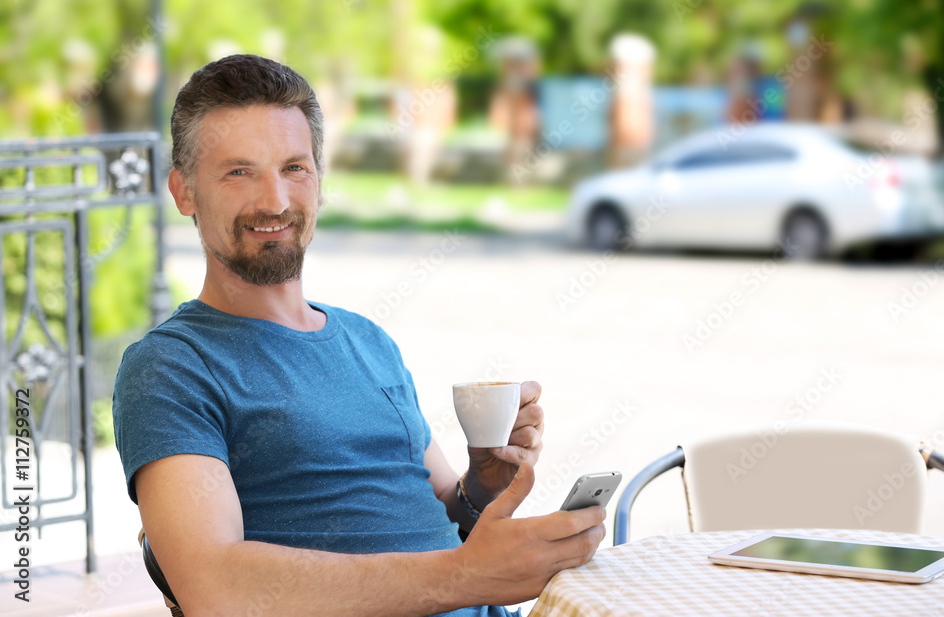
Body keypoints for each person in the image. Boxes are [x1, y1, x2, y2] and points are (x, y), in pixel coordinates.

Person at [112, 54, 606, 617]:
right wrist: (466, 577)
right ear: (184, 192)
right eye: (238, 171)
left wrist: (485, 481)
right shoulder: (171, 368)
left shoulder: (367, 341)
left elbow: (449, 510)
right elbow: (214, 587)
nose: (274, 201)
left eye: (294, 168)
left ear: (320, 184)